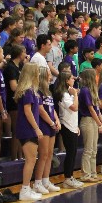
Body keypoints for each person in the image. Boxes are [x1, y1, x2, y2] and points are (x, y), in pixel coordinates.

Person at [13, 63, 44, 201]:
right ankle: (25, 189)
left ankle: (27, 188)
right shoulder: (28, 91)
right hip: (27, 129)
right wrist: (37, 128)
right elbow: (27, 111)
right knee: (31, 159)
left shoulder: (30, 89)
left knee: (32, 159)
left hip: (27, 128)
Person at [34, 66, 61, 194]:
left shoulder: (48, 91)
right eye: (49, 74)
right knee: (43, 154)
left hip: (51, 125)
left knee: (50, 154)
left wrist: (57, 120)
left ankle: (46, 180)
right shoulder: (38, 91)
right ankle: (37, 182)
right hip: (44, 125)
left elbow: (52, 108)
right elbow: (40, 109)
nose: (51, 76)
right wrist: (50, 122)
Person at [54, 70, 82, 189]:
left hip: (72, 126)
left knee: (73, 152)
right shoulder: (64, 94)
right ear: (66, 80)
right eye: (71, 78)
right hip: (66, 126)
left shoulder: (68, 93)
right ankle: (67, 178)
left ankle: (70, 176)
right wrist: (75, 94)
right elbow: (74, 108)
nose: (73, 79)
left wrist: (76, 126)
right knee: (70, 153)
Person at [78, 68, 102, 182]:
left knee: (94, 149)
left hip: (93, 120)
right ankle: (85, 175)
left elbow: (97, 109)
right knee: (88, 149)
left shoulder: (92, 90)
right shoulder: (85, 90)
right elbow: (91, 110)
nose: (96, 77)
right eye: (94, 75)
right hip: (88, 121)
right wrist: (100, 124)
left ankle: (93, 173)